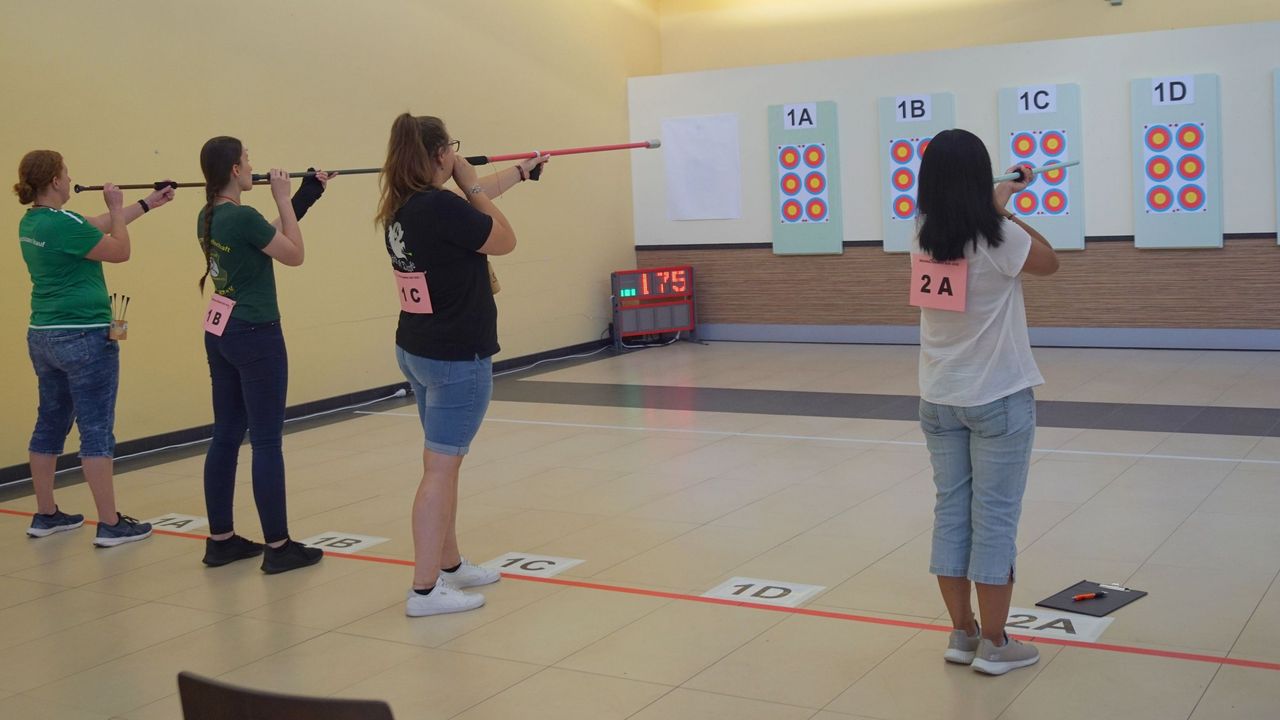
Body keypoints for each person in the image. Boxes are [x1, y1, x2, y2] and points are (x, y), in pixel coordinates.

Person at [375, 113, 548, 617]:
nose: (455, 153)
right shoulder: (441, 207)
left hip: (418, 349)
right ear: (438, 156)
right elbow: (503, 237)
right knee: (440, 469)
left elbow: (471, 209)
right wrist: (471, 181)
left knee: (443, 465)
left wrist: (516, 173)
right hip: (455, 355)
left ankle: (448, 566)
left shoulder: (405, 204)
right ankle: (425, 590)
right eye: (450, 146)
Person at [912, 128, 1059, 675]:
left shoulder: (922, 231)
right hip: (997, 397)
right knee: (994, 520)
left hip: (938, 397)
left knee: (952, 514)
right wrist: (1008, 209)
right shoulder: (998, 236)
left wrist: (994, 205)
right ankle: (997, 645)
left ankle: (963, 634)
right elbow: (1049, 262)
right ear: (981, 176)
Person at [16, 150, 176, 546]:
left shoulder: (34, 221)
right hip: (85, 336)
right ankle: (110, 523)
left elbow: (94, 228)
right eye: (66, 175)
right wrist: (117, 206)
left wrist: (146, 204)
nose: (70, 180)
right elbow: (119, 249)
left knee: (49, 423)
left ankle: (46, 514)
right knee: (96, 429)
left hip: (43, 337)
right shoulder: (63, 222)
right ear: (54, 180)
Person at [195, 136, 335, 573]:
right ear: (236, 170)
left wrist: (305, 195)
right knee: (267, 440)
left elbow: (267, 239)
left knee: (226, 434)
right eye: (248, 160)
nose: (253, 165)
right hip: (255, 333)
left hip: (221, 333)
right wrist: (281, 195)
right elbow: (293, 254)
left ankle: (221, 541)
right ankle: (278, 547)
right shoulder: (242, 215)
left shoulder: (210, 214)